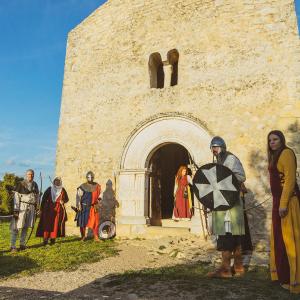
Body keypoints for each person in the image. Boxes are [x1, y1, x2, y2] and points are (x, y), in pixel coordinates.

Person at [207, 136, 247, 278]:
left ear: (223, 147)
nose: (214, 150)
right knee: (231, 234)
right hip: (222, 202)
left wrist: (223, 183)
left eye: (216, 147)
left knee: (228, 235)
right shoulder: (219, 161)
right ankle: (237, 268)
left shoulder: (230, 159)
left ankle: (226, 270)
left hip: (230, 203)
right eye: (212, 147)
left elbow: (241, 176)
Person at [268, 130, 300, 293]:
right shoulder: (275, 156)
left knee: (290, 239)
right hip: (277, 202)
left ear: (282, 140)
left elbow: (289, 181)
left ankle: (293, 279)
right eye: (270, 140)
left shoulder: (286, 153)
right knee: (279, 239)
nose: (272, 142)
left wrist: (283, 204)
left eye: (275, 139)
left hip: (286, 203)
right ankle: (282, 275)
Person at [10, 169, 39, 252]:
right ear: (26, 175)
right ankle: (13, 246)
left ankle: (22, 244)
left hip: (31, 208)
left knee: (25, 227)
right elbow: (16, 197)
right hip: (21, 207)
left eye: (32, 174)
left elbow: (37, 196)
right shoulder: (21, 184)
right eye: (29, 174)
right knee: (16, 227)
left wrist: (37, 206)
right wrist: (16, 210)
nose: (31, 176)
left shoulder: (35, 185)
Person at [36, 177, 69, 245]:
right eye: (56, 181)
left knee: (55, 224)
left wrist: (63, 201)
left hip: (58, 209)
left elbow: (67, 199)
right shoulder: (49, 189)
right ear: (53, 182)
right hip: (48, 209)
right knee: (47, 224)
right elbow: (44, 199)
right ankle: (45, 240)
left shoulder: (62, 190)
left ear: (60, 182)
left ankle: (53, 239)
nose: (57, 182)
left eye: (58, 181)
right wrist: (41, 209)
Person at [76, 171, 101, 241]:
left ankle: (96, 237)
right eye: (89, 177)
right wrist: (78, 205)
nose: (91, 179)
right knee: (82, 222)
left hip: (93, 207)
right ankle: (83, 236)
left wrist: (98, 201)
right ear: (87, 178)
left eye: (92, 177)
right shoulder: (82, 186)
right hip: (84, 207)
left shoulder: (97, 186)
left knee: (95, 222)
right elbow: (78, 196)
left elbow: (99, 195)